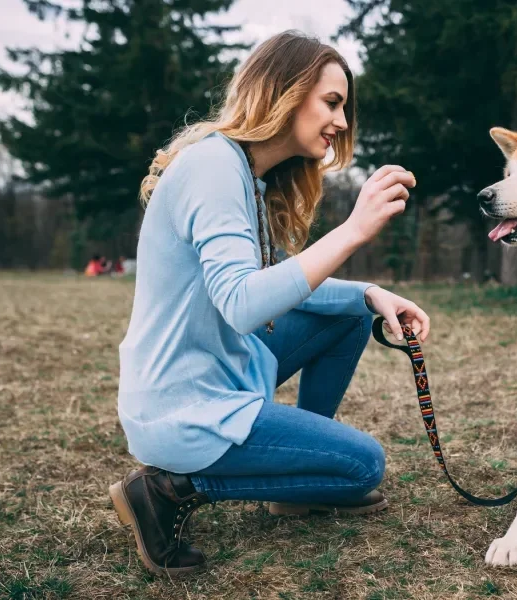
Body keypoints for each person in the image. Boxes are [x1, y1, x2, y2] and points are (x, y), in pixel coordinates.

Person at [108, 30, 430, 577]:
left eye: (344, 107)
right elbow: (241, 304)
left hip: (217, 372)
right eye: (332, 102)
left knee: (351, 313)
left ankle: (295, 484)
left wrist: (372, 295)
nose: (343, 122)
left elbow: (279, 282)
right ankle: (166, 489)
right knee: (362, 467)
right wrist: (353, 230)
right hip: (182, 405)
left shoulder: (245, 174)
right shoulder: (213, 169)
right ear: (284, 93)